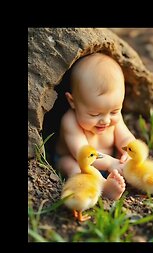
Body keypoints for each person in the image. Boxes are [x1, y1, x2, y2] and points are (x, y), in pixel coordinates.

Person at [55, 53, 136, 200]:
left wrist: (129, 151)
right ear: (72, 101)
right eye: (94, 114)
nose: (105, 120)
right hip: (78, 161)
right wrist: (111, 162)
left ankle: (123, 178)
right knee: (72, 166)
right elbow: (82, 154)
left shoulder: (113, 119)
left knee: (126, 159)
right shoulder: (70, 121)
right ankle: (101, 186)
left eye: (114, 111)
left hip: (112, 164)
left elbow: (125, 137)